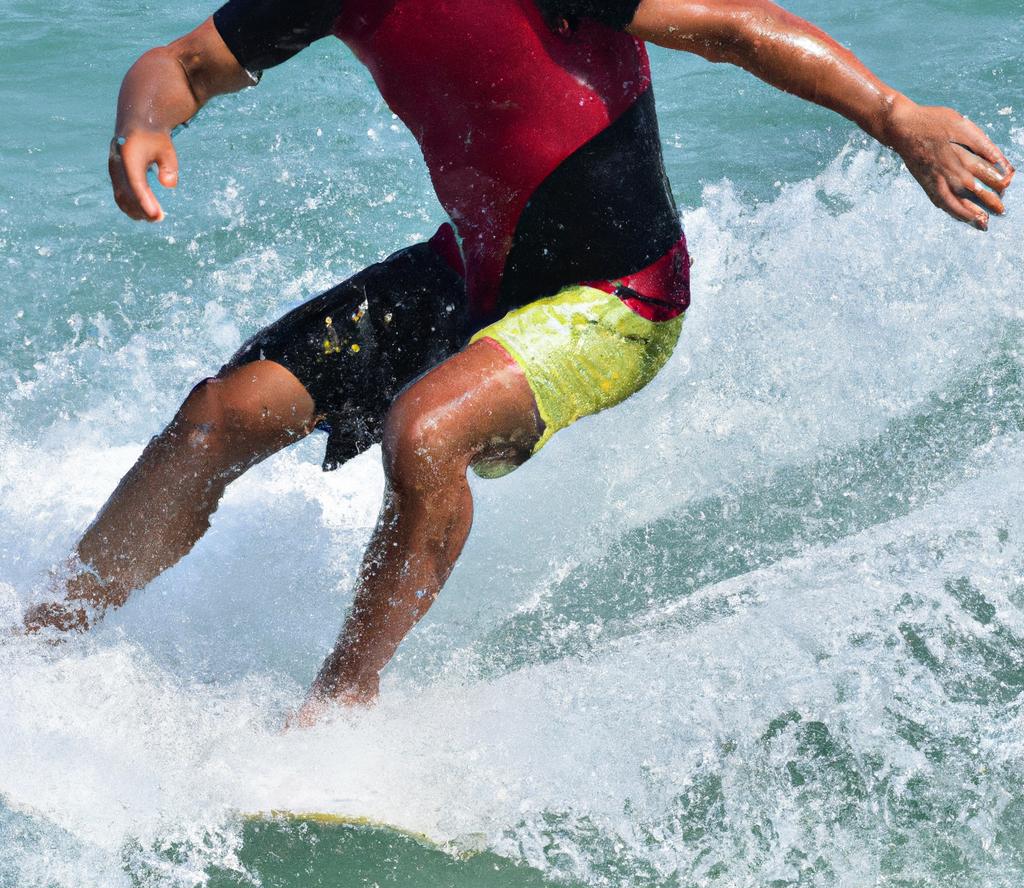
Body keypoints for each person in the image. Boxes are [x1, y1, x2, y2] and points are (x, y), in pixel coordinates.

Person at [25, 0, 1014, 725]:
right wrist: (141, 123)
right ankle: (48, 637)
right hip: (473, 268)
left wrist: (897, 119)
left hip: (621, 296)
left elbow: (736, 29)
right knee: (214, 419)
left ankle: (336, 713)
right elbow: (185, 63)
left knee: (425, 429)